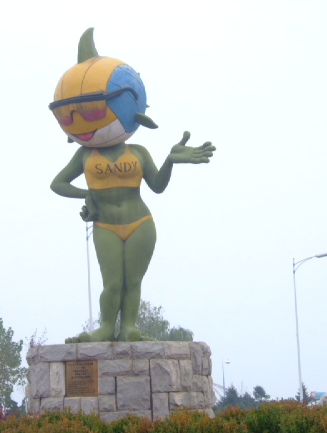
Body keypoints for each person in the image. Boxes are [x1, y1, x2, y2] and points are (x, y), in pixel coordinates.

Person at [50, 29, 215, 342]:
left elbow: (157, 186)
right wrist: (87, 195)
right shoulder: (84, 155)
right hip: (105, 225)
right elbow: (57, 184)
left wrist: (170, 160)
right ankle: (105, 328)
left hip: (140, 222)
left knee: (133, 281)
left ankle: (129, 328)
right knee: (112, 282)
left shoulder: (138, 152)